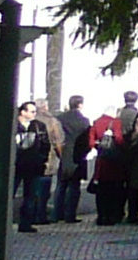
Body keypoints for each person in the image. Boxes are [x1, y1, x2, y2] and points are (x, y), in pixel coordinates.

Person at [92, 96, 135, 227]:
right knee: (114, 189)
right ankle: (112, 216)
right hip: (114, 162)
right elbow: (119, 139)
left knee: (101, 191)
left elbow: (90, 141)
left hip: (101, 160)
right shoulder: (115, 123)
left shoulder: (96, 122)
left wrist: (100, 148)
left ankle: (101, 216)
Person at [10, 101, 52, 233]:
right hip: (15, 166)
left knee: (30, 196)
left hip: (33, 166)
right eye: (32, 111)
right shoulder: (13, 126)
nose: (35, 114)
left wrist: (42, 160)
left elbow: (46, 144)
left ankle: (25, 223)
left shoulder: (39, 126)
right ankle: (6, 222)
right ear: (23, 112)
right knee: (9, 194)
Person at [54, 96, 91, 224]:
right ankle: (70, 215)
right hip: (77, 155)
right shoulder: (84, 121)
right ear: (80, 105)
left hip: (63, 153)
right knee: (74, 187)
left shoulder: (60, 118)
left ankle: (57, 214)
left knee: (61, 186)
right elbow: (87, 141)